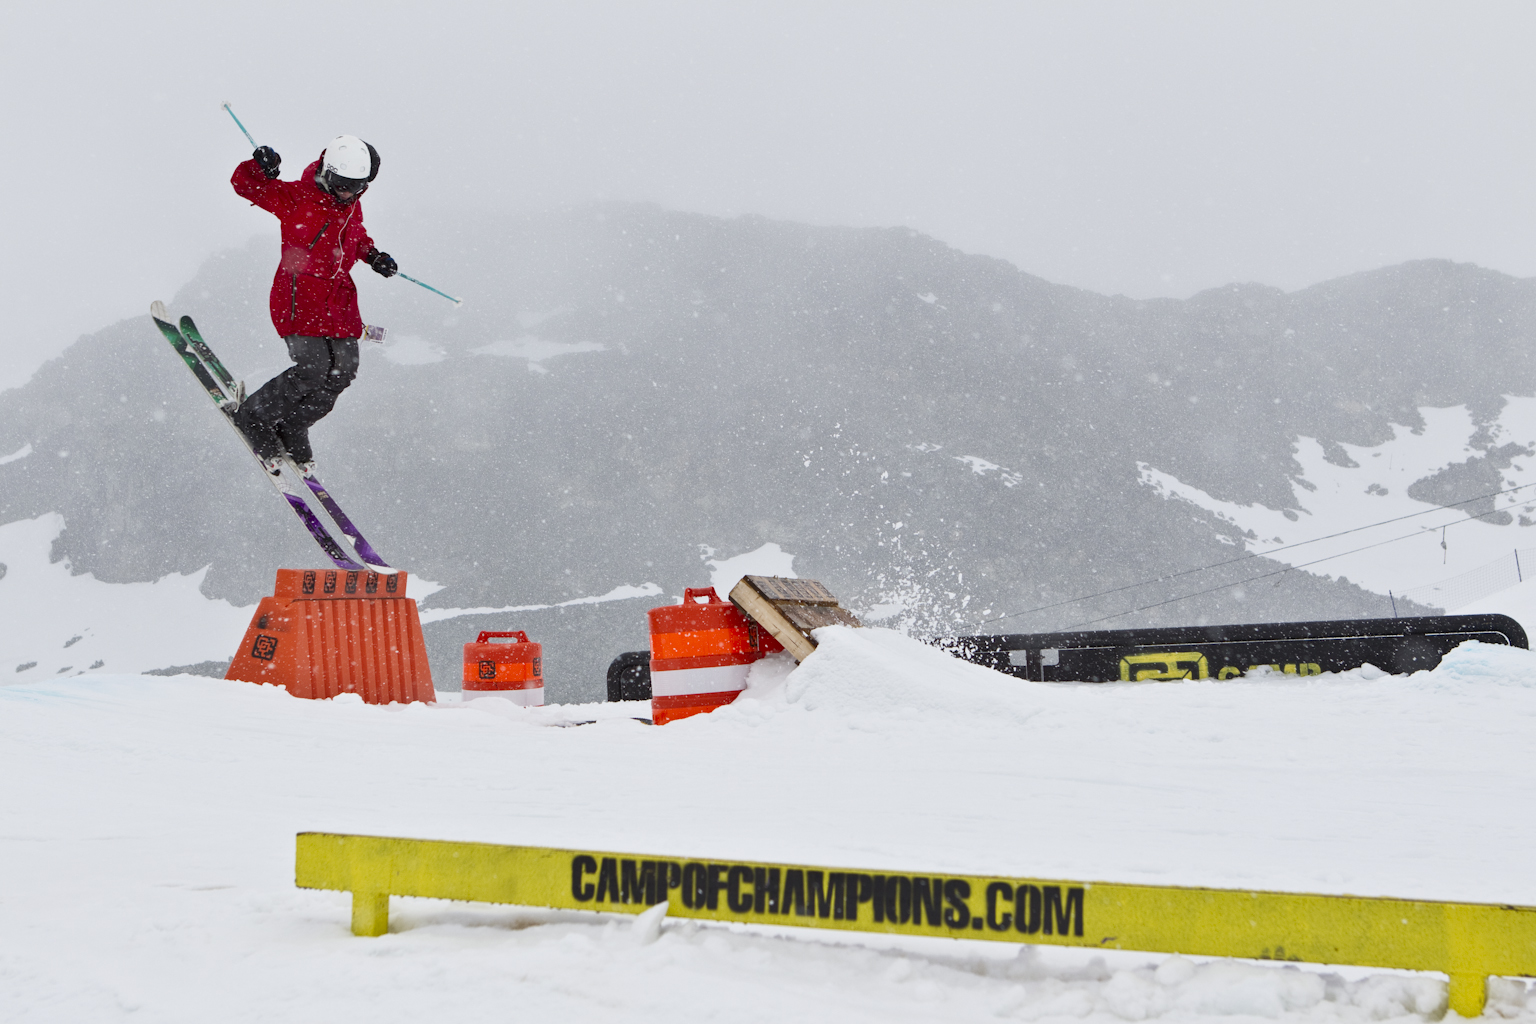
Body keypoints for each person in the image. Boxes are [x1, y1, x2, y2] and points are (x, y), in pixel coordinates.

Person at [229, 135, 398, 474]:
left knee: (344, 372)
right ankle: (254, 416)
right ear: (327, 172)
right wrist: (260, 169)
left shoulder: (351, 203)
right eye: (342, 185)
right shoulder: (295, 197)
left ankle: (292, 425)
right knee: (312, 369)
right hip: (300, 296)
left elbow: (355, 234)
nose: (348, 194)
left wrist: (373, 255)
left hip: (338, 300)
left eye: (356, 187)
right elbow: (245, 185)